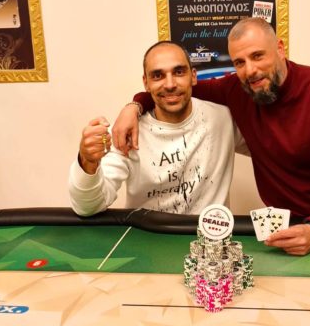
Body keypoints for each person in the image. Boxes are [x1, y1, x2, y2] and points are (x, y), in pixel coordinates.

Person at [112, 19, 310, 256]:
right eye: (239, 62)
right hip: (291, 228)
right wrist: (134, 106)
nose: (250, 70)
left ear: (280, 49)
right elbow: (177, 90)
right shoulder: (239, 88)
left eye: (258, 56)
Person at [69, 41, 246, 217]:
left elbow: (261, 145)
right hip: (145, 233)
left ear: (193, 76)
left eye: (178, 72)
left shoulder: (223, 118)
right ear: (146, 83)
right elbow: (87, 208)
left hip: (208, 234)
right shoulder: (126, 131)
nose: (169, 84)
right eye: (157, 75)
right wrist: (88, 162)